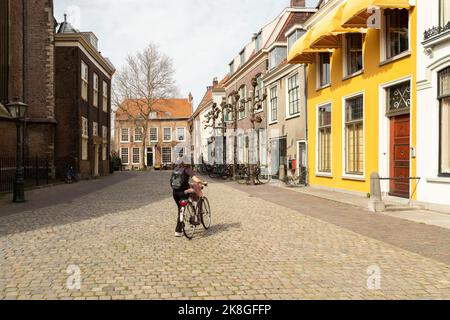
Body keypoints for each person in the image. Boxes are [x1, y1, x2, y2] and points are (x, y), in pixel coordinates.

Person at [170, 156, 208, 237]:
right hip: (183, 193)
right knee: (183, 208)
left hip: (175, 192)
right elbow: (196, 179)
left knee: (180, 209)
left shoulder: (176, 169)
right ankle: (178, 230)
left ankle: (180, 228)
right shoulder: (187, 169)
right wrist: (203, 182)